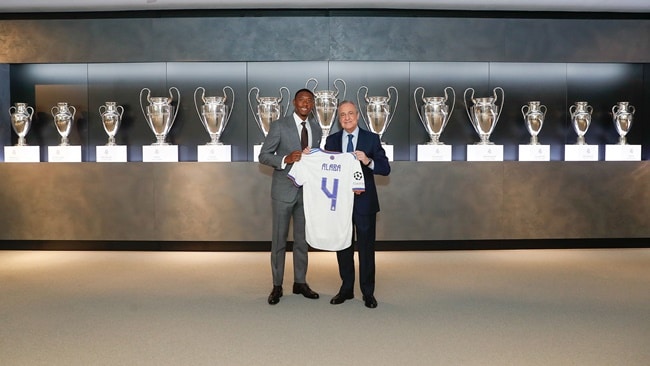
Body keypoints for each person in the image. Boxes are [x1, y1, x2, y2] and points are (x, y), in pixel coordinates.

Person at [258, 88, 323, 305]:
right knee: (279, 240)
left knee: (302, 241)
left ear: (312, 105)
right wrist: (285, 158)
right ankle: (277, 286)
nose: (306, 103)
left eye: (310, 101)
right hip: (283, 192)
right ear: (294, 102)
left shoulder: (316, 128)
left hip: (307, 193)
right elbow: (264, 156)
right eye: (302, 100)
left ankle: (300, 282)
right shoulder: (279, 125)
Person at [324, 100, 390, 309]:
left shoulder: (371, 139)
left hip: (365, 203)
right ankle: (346, 289)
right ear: (338, 118)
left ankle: (368, 293)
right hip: (340, 204)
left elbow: (385, 168)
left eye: (350, 113)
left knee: (366, 249)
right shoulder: (331, 140)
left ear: (358, 116)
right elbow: (326, 170)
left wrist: (368, 161)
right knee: (343, 247)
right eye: (342, 115)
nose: (346, 118)